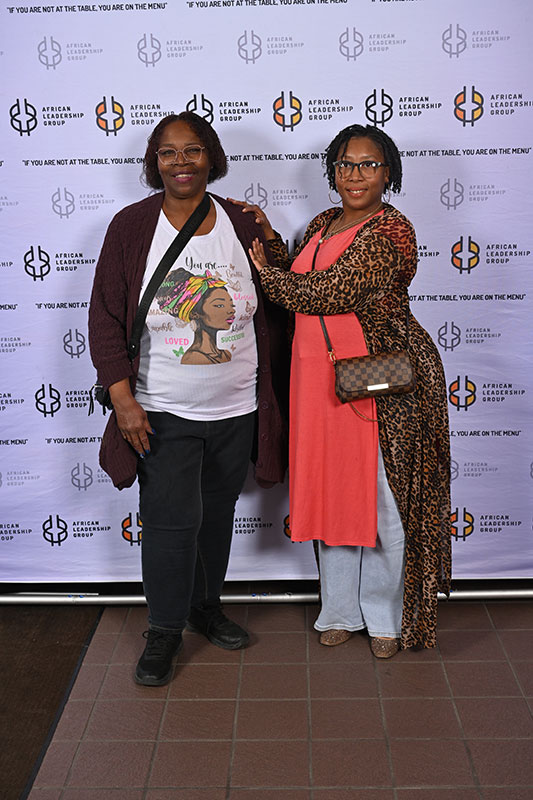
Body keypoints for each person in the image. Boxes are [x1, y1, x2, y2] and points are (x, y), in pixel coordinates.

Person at [89, 111, 287, 685]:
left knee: (215, 517)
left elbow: (283, 291)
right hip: (162, 410)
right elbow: (104, 318)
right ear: (155, 162)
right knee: (171, 524)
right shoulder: (131, 226)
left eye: (193, 150)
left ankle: (205, 607)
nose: (181, 162)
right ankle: (164, 629)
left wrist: (272, 239)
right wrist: (124, 401)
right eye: (169, 152)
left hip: (237, 408)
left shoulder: (241, 223)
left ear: (211, 158)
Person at [239, 123, 451, 656]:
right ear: (333, 172)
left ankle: (385, 620)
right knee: (330, 491)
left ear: (389, 173)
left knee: (382, 498)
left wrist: (268, 276)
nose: (356, 175)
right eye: (346, 164)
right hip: (317, 381)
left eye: (369, 164)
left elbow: (329, 291)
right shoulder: (324, 222)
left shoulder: (393, 231)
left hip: (376, 378)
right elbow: (295, 271)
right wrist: (268, 238)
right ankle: (338, 610)